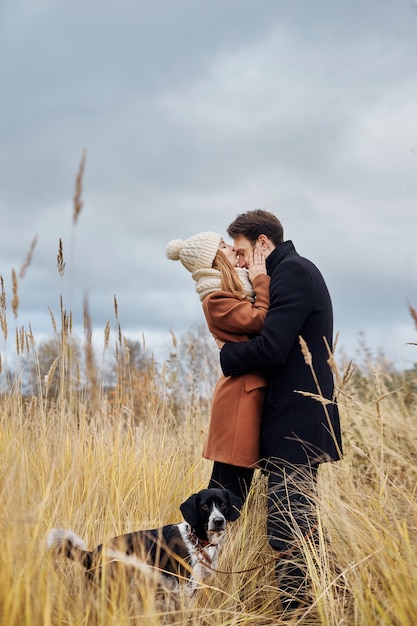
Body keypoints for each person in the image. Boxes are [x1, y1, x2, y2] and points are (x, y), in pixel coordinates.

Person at [217, 210, 343, 612]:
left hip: (297, 423)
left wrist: (228, 355)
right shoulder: (285, 274)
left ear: (263, 244)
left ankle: (300, 614)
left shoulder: (293, 273)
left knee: (289, 528)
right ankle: (315, 606)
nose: (237, 261)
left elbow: (272, 348)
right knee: (296, 525)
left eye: (241, 252)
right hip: (290, 422)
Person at [166, 231, 270, 501]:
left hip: (245, 394)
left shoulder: (233, 291)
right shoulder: (216, 300)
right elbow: (260, 321)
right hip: (239, 400)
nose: (233, 249)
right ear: (213, 260)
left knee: (227, 489)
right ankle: (198, 540)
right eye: (224, 246)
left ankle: (207, 541)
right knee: (230, 494)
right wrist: (261, 278)